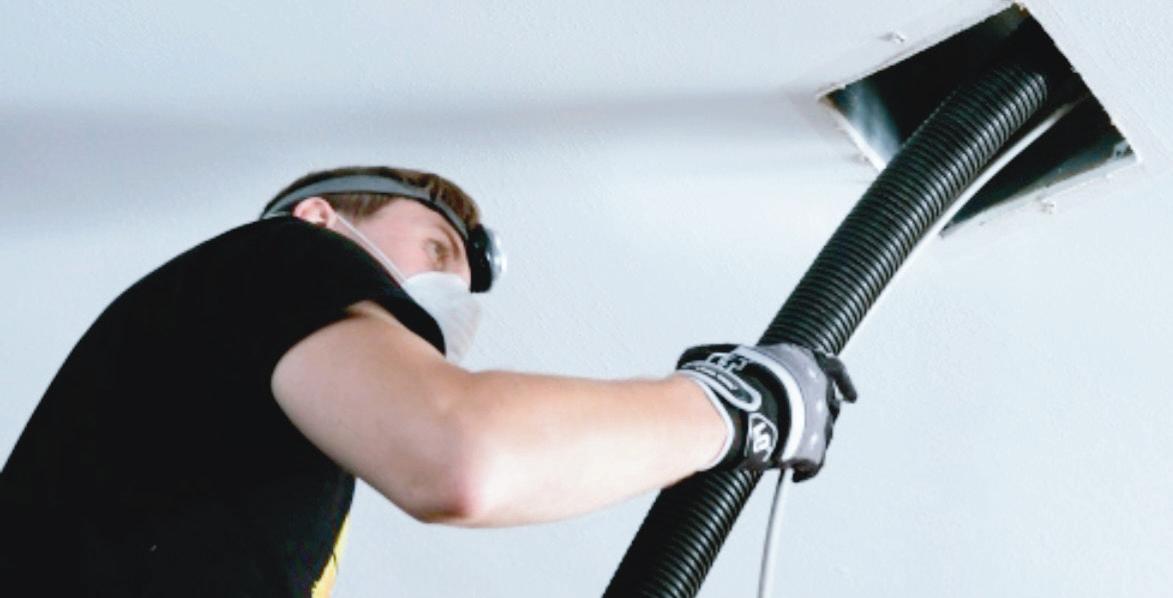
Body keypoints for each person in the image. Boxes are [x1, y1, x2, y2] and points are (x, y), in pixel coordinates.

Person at [0, 165, 855, 597]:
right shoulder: (285, 254)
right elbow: (463, 456)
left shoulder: (251, 463)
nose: (451, 294)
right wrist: (734, 405)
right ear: (319, 216)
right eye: (437, 250)